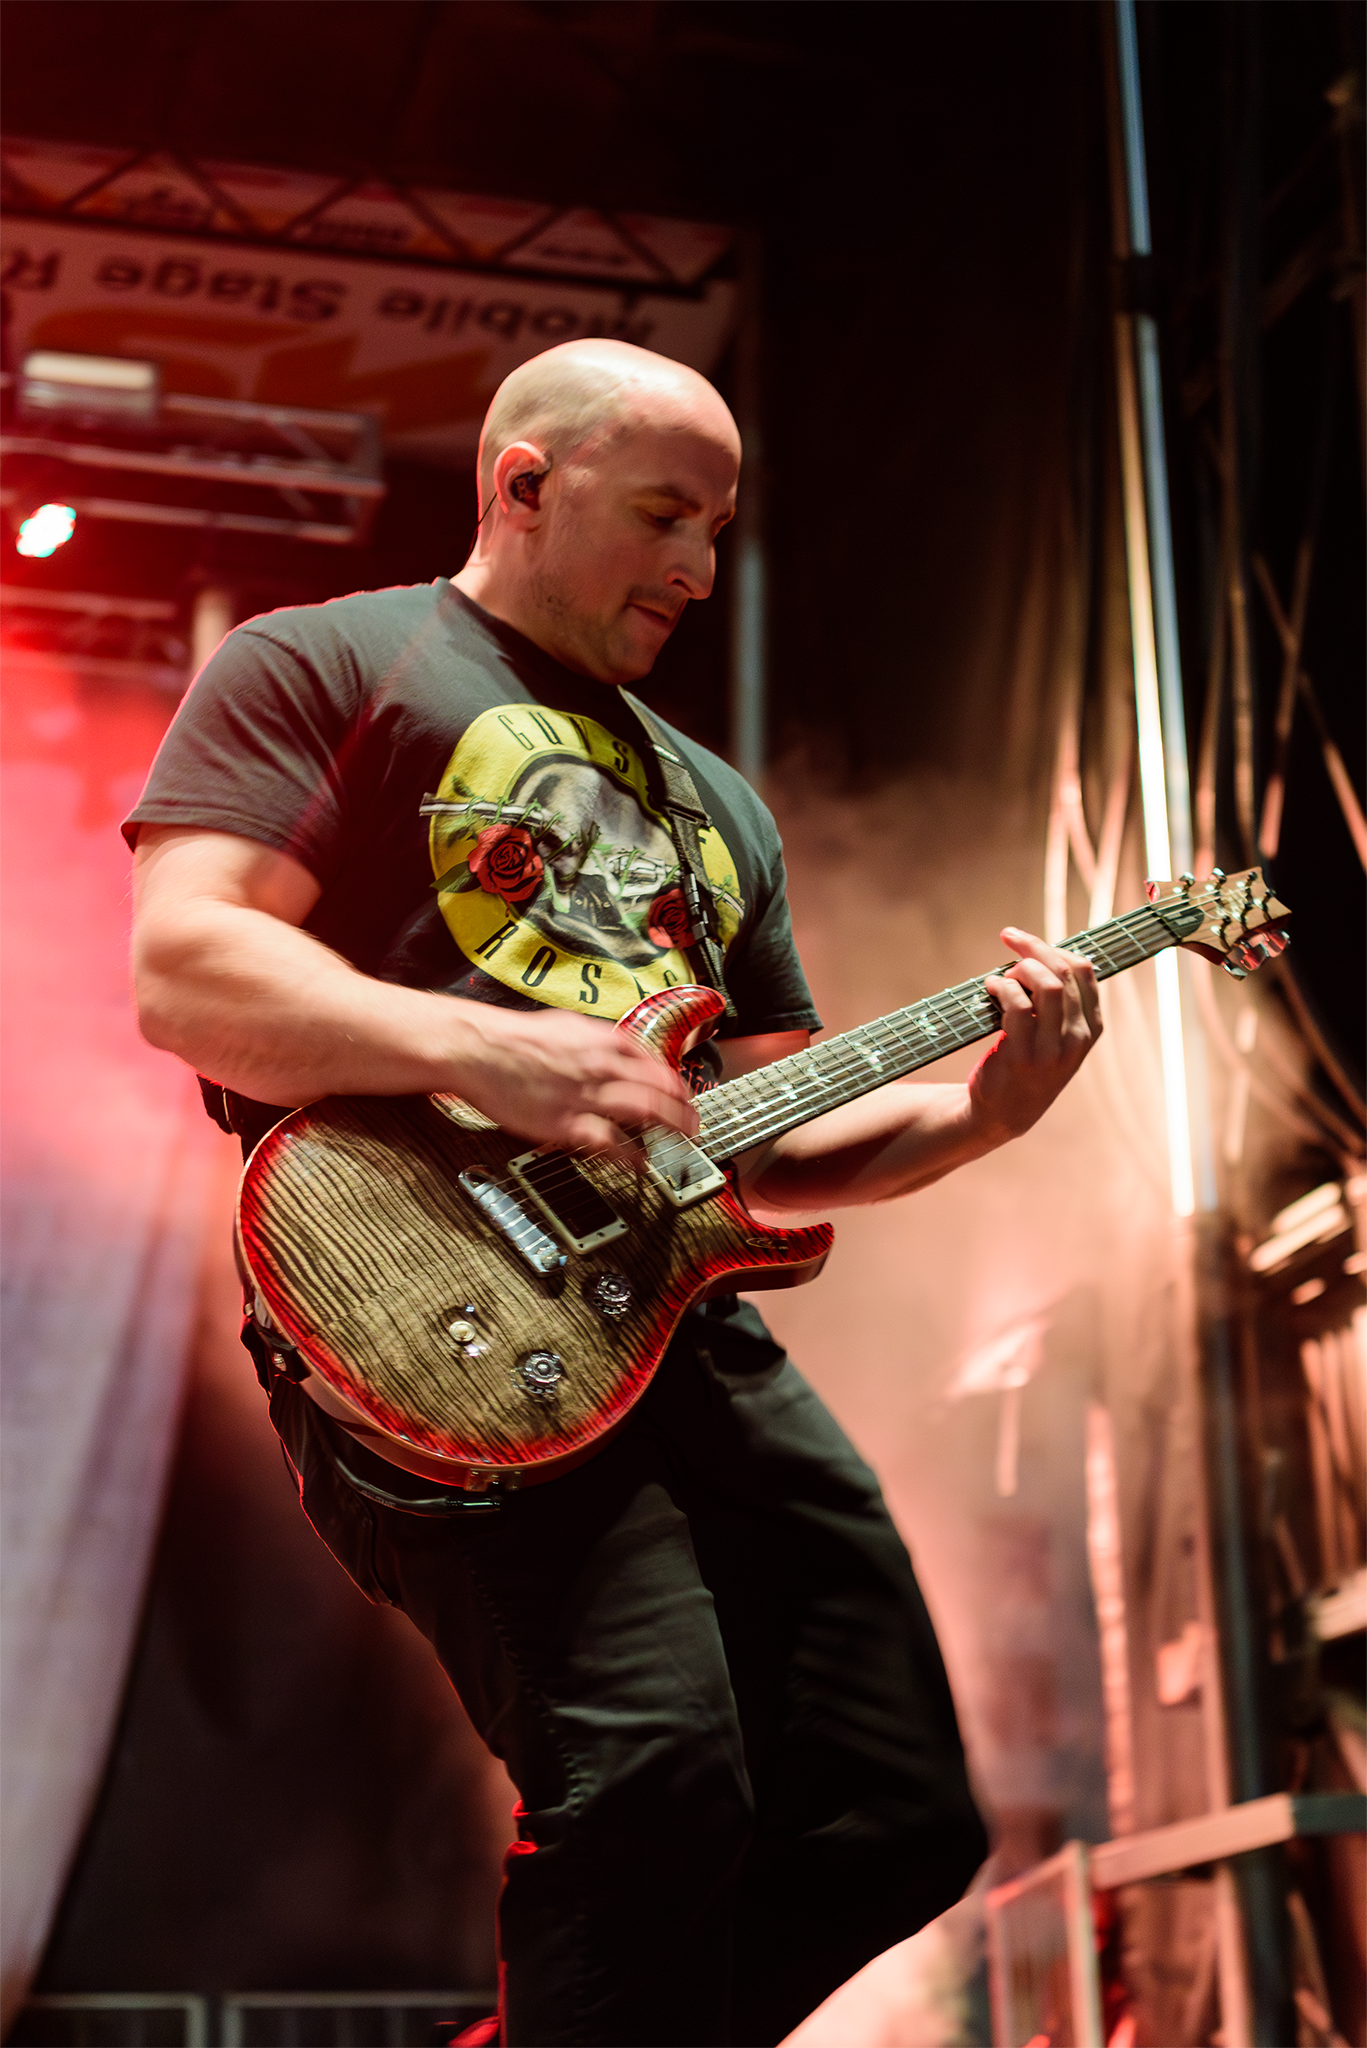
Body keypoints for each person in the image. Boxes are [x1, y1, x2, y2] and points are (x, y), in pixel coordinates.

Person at [125, 338, 1101, 2046]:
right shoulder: (327, 660)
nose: (696, 570)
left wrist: (980, 1118)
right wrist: (486, 1050)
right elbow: (187, 968)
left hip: (677, 1328)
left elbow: (759, 1137)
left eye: (717, 530)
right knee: (650, 1779)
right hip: (439, 1307)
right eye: (662, 515)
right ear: (520, 481)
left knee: (893, 1819)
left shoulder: (715, 803)